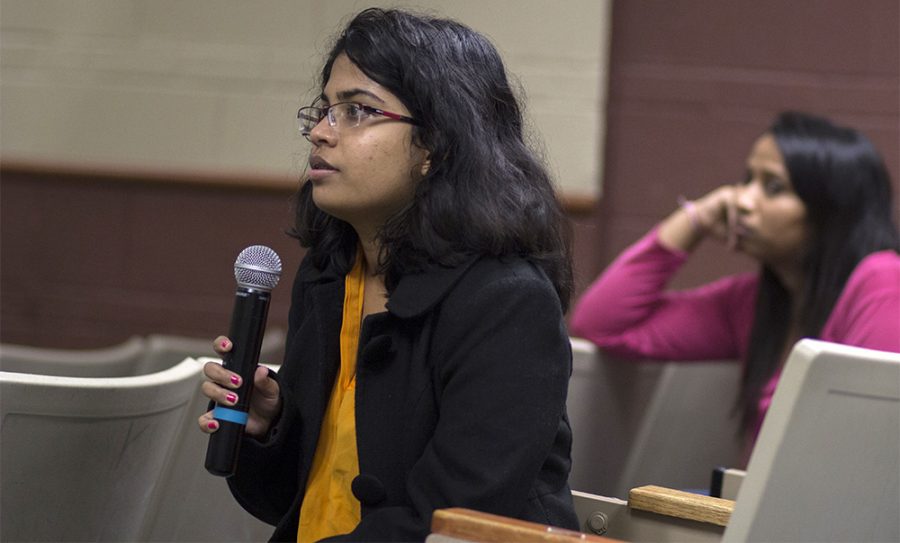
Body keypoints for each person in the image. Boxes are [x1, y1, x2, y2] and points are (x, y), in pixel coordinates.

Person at [197, 7, 579, 542]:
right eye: (324, 110)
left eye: (357, 111)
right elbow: (292, 505)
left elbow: (450, 524)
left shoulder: (507, 303)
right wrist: (271, 426)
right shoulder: (330, 275)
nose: (322, 133)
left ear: (436, 145)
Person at [570, 111, 900, 457]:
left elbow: (869, 445)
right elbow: (601, 324)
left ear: (830, 210)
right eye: (747, 179)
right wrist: (695, 218)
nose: (740, 200)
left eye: (773, 187)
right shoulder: (750, 303)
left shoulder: (880, 281)